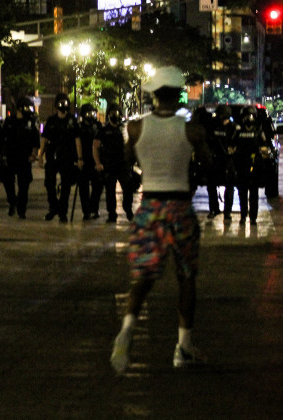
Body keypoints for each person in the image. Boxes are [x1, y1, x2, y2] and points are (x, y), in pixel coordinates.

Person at [110, 66, 212, 374]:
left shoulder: (136, 128)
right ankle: (183, 346)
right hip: (179, 207)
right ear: (179, 94)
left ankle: (128, 327)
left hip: (150, 206)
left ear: (153, 95)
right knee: (186, 277)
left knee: (143, 276)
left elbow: (126, 161)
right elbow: (209, 162)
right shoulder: (191, 128)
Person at [39, 93, 82, 223]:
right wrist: (40, 155)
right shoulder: (51, 121)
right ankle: (54, 207)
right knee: (49, 184)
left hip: (67, 157)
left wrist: (80, 158)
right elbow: (44, 138)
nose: (63, 106)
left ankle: (63, 212)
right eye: (61, 103)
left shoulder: (72, 121)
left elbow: (77, 140)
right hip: (52, 157)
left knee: (66, 187)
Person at [0, 97, 40, 219]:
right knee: (8, 183)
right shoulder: (10, 121)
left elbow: (35, 141)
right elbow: (2, 139)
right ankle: (12, 202)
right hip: (11, 157)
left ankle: (21, 210)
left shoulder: (31, 122)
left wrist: (33, 154)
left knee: (24, 185)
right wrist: (3, 155)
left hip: (25, 158)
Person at [93, 104, 133, 223]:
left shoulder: (125, 128)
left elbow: (131, 145)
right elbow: (95, 147)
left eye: (116, 113)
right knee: (110, 191)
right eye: (112, 113)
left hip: (123, 164)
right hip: (109, 165)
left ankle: (128, 209)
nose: (114, 115)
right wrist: (98, 163)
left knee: (128, 188)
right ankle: (112, 214)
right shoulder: (103, 131)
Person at [233, 106, 273, 225]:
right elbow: (232, 145)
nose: (249, 119)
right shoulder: (239, 130)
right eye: (247, 116)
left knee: (252, 193)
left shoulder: (258, 130)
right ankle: (244, 216)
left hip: (254, 165)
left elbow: (265, 146)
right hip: (242, 164)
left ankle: (252, 218)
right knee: (243, 193)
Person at [205, 104, 236, 220]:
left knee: (230, 186)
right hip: (215, 160)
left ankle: (227, 212)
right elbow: (207, 142)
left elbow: (237, 143)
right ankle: (214, 209)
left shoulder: (233, 128)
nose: (224, 120)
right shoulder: (213, 127)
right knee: (211, 186)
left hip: (228, 160)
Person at [77, 103, 103, 220]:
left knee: (98, 185)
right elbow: (77, 143)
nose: (91, 116)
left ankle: (94, 208)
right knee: (83, 188)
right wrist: (79, 158)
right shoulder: (79, 128)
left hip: (95, 161)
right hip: (84, 160)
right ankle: (86, 210)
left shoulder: (98, 126)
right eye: (88, 113)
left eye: (92, 113)